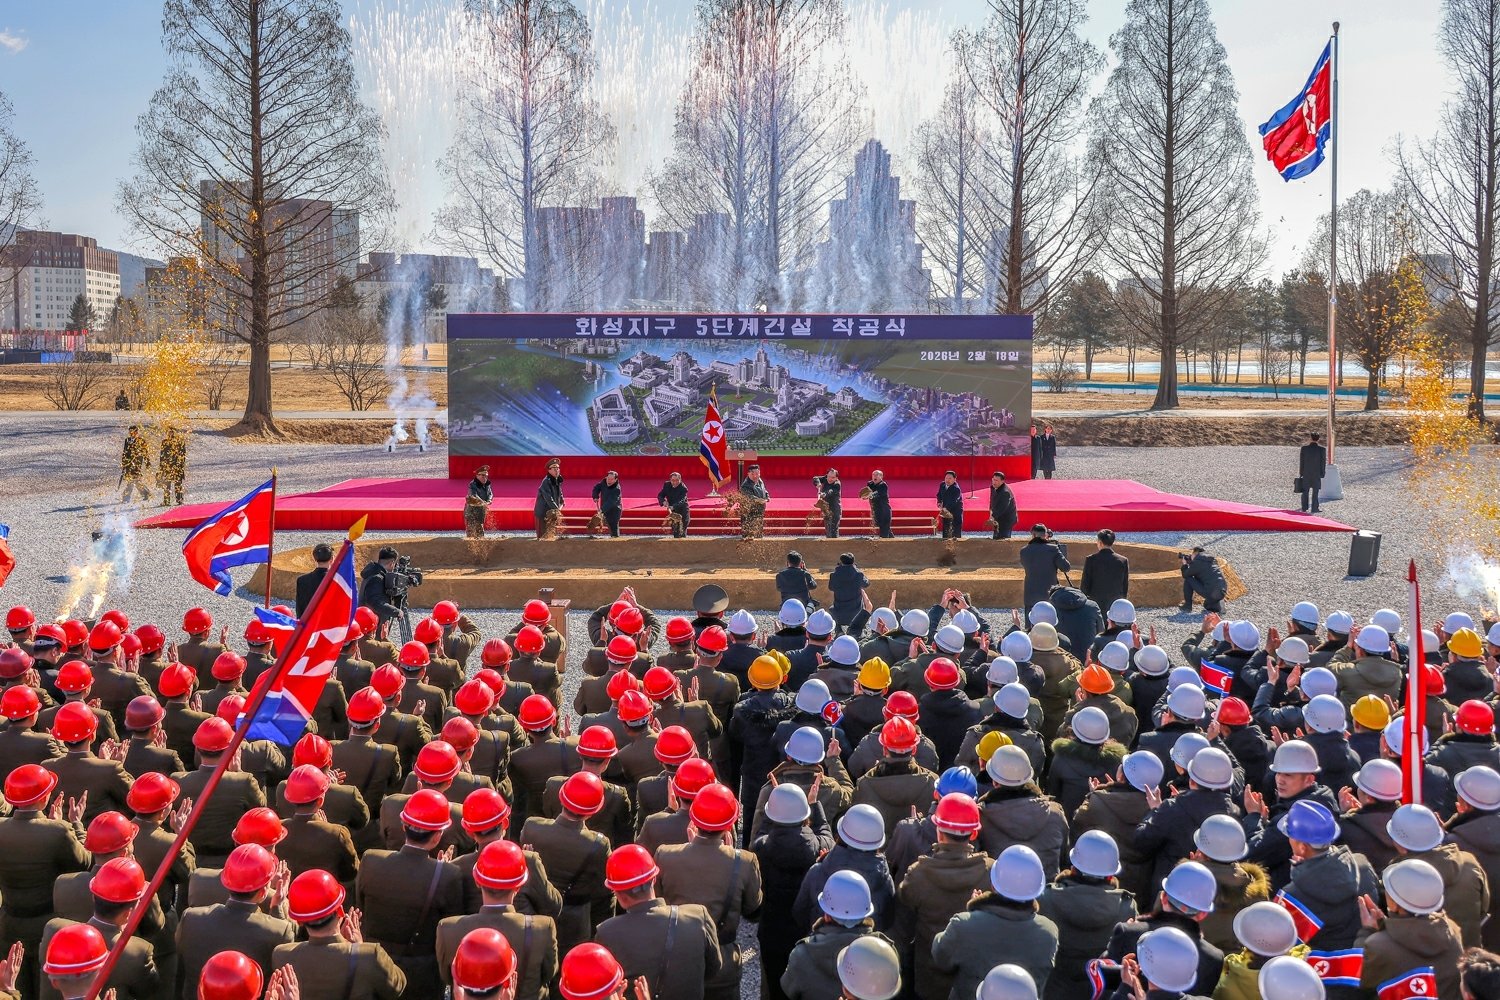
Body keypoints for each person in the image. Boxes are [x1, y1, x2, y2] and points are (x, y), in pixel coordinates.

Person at [1019, 525, 1070, 618]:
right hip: (1050, 594)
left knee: (1030, 626)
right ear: (1045, 535)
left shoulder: (1024, 551)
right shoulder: (1053, 549)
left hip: (1030, 594)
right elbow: (1066, 567)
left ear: (1033, 535)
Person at [1081, 529, 1130, 611]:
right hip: (1115, 602)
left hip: (1095, 602)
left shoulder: (1091, 559)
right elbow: (1125, 585)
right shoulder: (1123, 560)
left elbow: (1085, 584)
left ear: (1100, 542)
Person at [358, 547, 402, 631]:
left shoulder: (372, 573)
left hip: (367, 622)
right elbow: (375, 601)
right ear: (392, 563)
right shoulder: (377, 578)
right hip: (371, 626)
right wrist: (396, 611)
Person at [829, 554, 869, 636]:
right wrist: (856, 569)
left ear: (841, 562)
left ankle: (839, 630)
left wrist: (838, 569)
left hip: (839, 613)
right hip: (856, 613)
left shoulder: (834, 575)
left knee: (832, 608)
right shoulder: (859, 574)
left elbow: (831, 588)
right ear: (853, 562)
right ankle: (861, 628)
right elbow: (866, 584)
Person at [1179, 547, 1227, 614]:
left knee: (1188, 578)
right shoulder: (1211, 560)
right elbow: (1203, 572)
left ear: (1195, 553)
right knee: (1207, 605)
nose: (1190, 556)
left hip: (1211, 592)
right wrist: (1191, 563)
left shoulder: (1198, 562)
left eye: (1191, 554)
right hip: (1222, 590)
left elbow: (1185, 575)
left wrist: (1185, 564)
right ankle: (1219, 604)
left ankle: (1187, 606)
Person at [295, 543, 333, 618]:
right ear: (331, 559)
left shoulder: (302, 580)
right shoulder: (336, 580)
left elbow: (300, 609)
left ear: (314, 559)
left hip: (309, 625)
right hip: (330, 626)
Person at [118, 424, 151, 503]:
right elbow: (125, 452)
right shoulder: (127, 440)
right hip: (128, 463)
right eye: (130, 431)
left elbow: (145, 452)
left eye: (133, 431)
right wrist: (123, 462)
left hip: (137, 463)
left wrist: (147, 462)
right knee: (135, 480)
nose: (131, 433)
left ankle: (126, 498)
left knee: (132, 480)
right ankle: (146, 494)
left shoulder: (141, 440)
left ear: (136, 432)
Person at [157, 425, 187, 506]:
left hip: (177, 466)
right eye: (169, 432)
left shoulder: (180, 442)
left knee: (178, 484)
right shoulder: (164, 442)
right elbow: (162, 456)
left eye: (172, 432)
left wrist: (180, 466)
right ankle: (167, 501)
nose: (170, 433)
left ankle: (179, 500)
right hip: (167, 466)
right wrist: (161, 468)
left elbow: (183, 455)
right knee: (167, 484)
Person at [534, 458, 565, 539]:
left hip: (552, 512)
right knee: (542, 536)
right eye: (554, 469)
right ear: (549, 470)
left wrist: (562, 500)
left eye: (558, 468)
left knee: (551, 534)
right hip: (543, 513)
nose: (557, 470)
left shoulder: (557, 479)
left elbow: (560, 492)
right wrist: (557, 509)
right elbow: (548, 498)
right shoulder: (546, 482)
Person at [738, 465, 770, 539]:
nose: (755, 476)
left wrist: (767, 496)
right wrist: (760, 500)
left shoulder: (759, 480)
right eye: (752, 474)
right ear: (748, 474)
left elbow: (764, 489)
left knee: (758, 532)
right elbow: (749, 497)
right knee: (748, 535)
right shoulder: (745, 485)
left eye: (757, 473)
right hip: (750, 511)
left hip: (759, 509)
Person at [1299, 433, 1327, 514]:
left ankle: (1304, 507)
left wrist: (1301, 473)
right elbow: (1323, 463)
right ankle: (1314, 508)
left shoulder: (1304, 449)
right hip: (1316, 473)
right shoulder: (1322, 450)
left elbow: (1302, 462)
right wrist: (1322, 473)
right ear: (1318, 439)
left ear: (1310, 438)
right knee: (1315, 492)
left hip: (1306, 473)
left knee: (1305, 491)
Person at [658, 472, 690, 538]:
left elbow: (682, 501)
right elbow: (660, 495)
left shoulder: (684, 488)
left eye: (677, 480)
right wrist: (663, 501)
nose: (675, 482)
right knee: (675, 530)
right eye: (673, 480)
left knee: (682, 531)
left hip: (683, 510)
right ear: (670, 480)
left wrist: (673, 506)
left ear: (680, 480)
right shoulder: (667, 485)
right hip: (673, 511)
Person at [592, 470, 623, 538]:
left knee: (613, 525)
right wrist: (595, 496)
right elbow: (596, 488)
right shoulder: (603, 482)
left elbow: (611, 502)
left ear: (615, 479)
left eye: (611, 479)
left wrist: (601, 510)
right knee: (607, 523)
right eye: (608, 478)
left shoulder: (616, 489)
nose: (609, 480)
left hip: (615, 510)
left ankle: (615, 539)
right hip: (604, 508)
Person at [465, 465, 493, 539]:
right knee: (472, 526)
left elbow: (490, 493)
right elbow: (474, 495)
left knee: (480, 524)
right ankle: (470, 543)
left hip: (481, 508)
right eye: (483, 475)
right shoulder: (472, 484)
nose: (485, 477)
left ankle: (480, 542)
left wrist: (489, 500)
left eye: (486, 475)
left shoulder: (487, 484)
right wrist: (484, 503)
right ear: (477, 475)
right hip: (472, 509)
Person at [865, 470, 893, 538]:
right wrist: (864, 495)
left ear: (881, 477)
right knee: (885, 528)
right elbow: (866, 491)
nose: (874, 476)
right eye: (873, 475)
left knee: (884, 529)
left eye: (877, 475)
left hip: (884, 510)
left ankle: (885, 544)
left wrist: (870, 495)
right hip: (876, 510)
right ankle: (893, 542)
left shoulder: (883, 485)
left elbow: (878, 493)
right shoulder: (870, 484)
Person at [815, 469, 842, 538]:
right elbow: (815, 478)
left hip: (834, 510)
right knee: (828, 530)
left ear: (836, 478)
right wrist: (818, 483)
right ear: (827, 475)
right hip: (825, 508)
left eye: (833, 477)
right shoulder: (825, 478)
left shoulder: (837, 484)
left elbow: (830, 491)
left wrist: (823, 494)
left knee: (833, 530)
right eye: (829, 476)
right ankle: (829, 546)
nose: (830, 479)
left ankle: (835, 546)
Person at [936, 471, 964, 540]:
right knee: (946, 529)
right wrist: (939, 502)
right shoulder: (942, 485)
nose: (947, 480)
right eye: (946, 478)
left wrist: (945, 508)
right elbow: (939, 494)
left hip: (955, 512)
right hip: (945, 512)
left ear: (954, 479)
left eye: (950, 478)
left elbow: (953, 501)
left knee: (955, 532)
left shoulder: (956, 489)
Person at [989, 473, 1017, 540]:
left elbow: (1002, 508)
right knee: (996, 537)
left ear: (1002, 481)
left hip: (1006, 520)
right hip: (998, 517)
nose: (994, 482)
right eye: (993, 479)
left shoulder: (1005, 492)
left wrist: (993, 516)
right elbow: (992, 500)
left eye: (996, 480)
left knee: (1003, 539)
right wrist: (991, 511)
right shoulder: (993, 487)